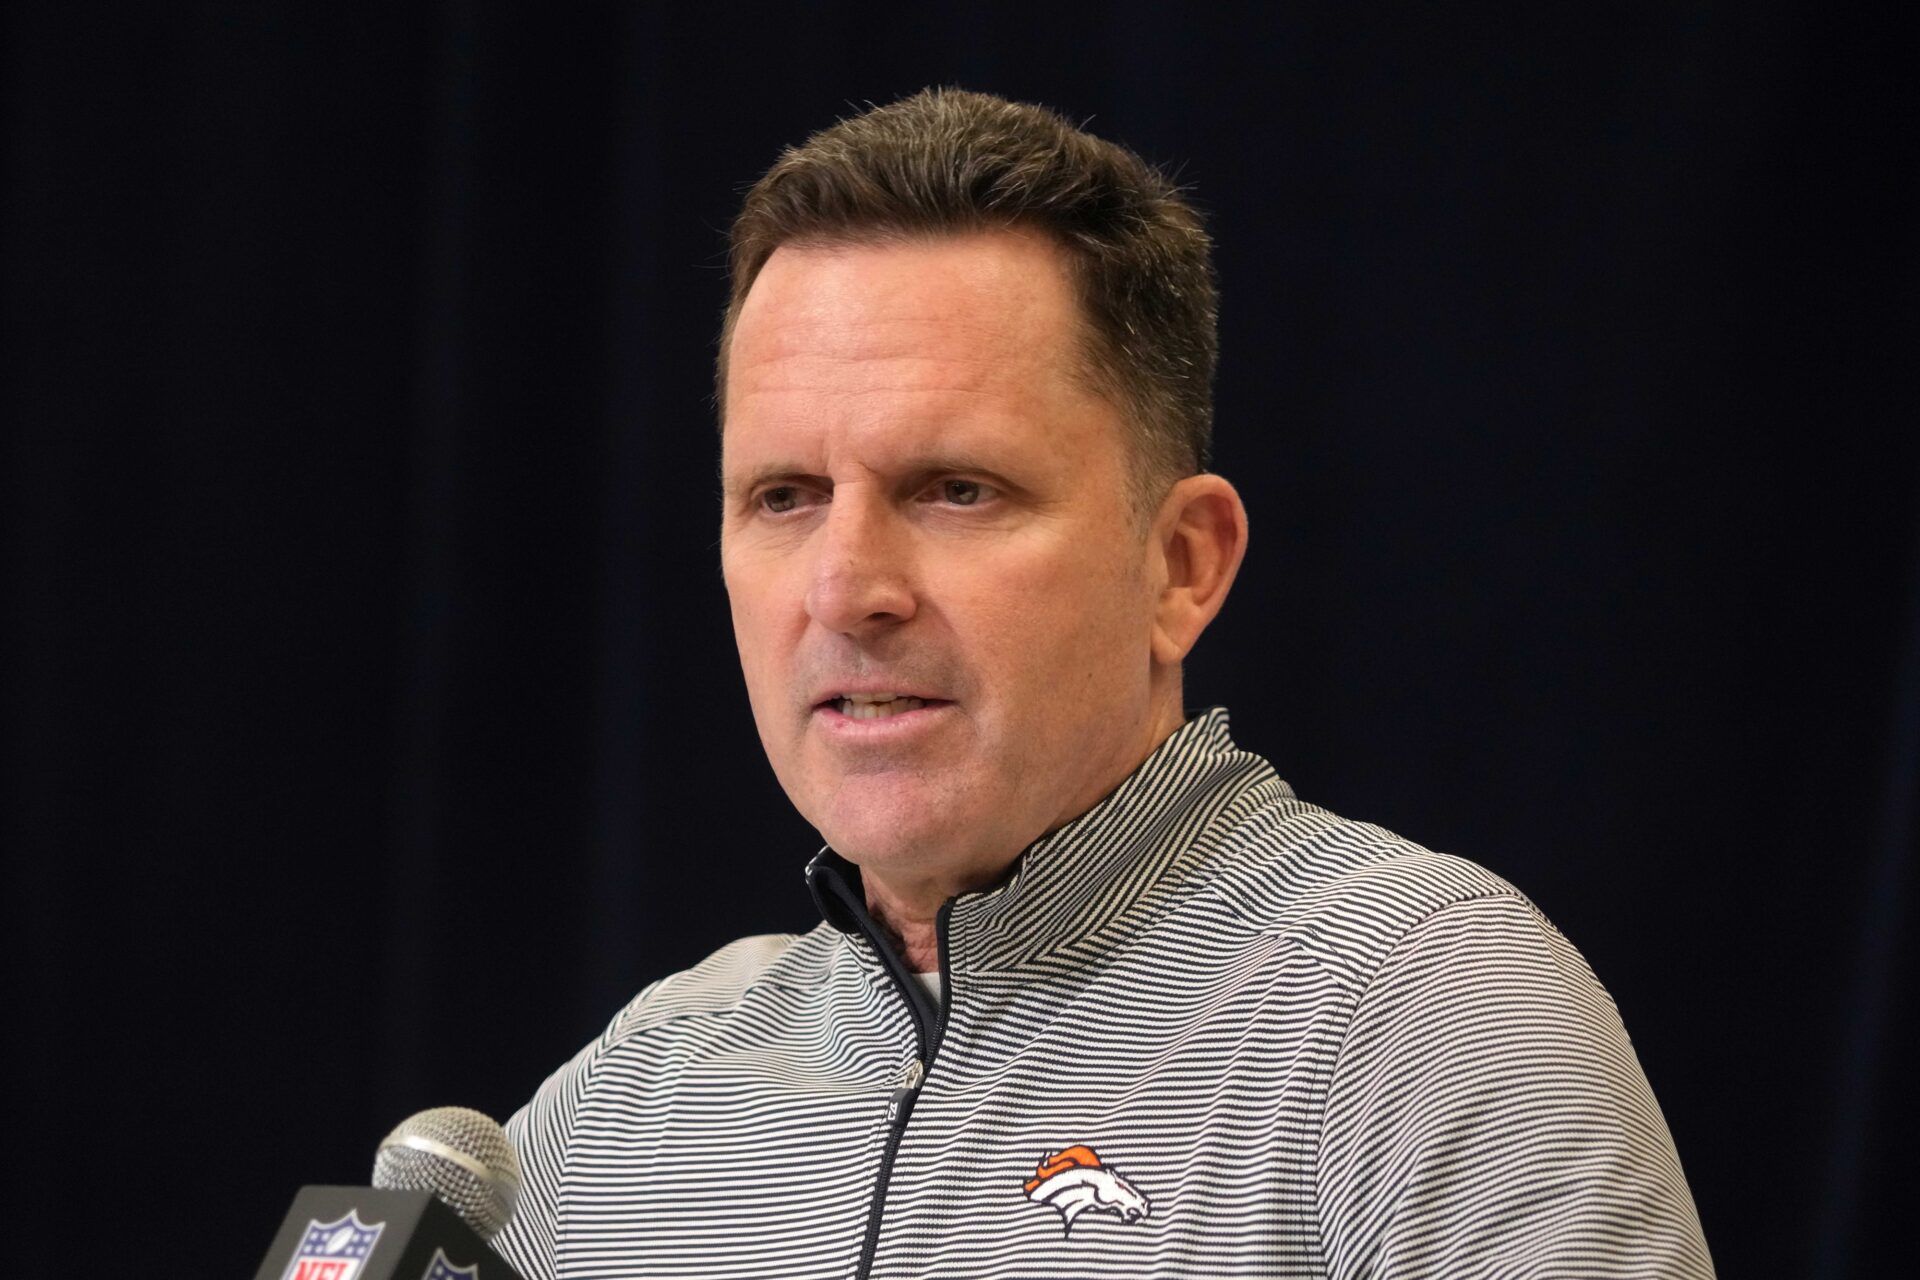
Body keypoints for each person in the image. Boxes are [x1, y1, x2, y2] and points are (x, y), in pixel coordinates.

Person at [491, 88, 1714, 1279]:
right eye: (784, 497)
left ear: (1181, 565)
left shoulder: (1414, 1007)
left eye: (956, 489)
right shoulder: (630, 1102)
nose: (846, 587)